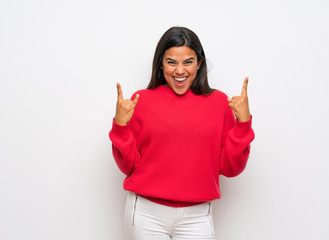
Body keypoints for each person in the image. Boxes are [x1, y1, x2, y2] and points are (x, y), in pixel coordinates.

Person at [109, 26, 255, 240]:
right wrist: (120, 126)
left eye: (188, 62)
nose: (180, 71)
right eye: (171, 62)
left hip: (197, 216)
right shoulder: (141, 100)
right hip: (146, 214)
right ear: (161, 63)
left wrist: (243, 123)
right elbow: (128, 166)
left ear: (199, 63)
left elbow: (229, 168)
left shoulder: (218, 103)